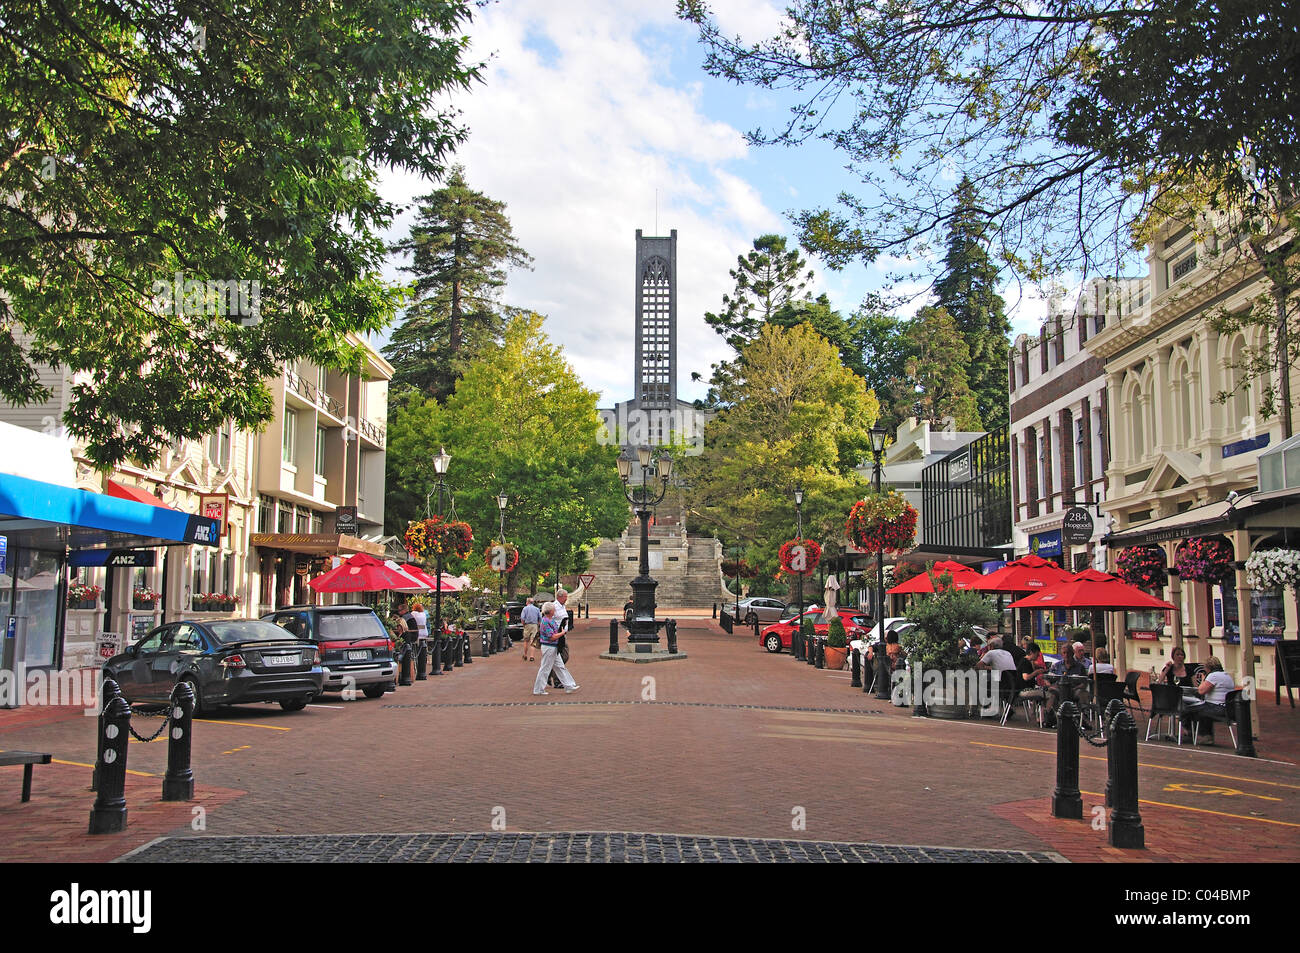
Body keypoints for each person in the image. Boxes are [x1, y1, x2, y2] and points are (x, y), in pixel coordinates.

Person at [1181, 656, 1234, 745]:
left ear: (1208, 667)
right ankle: (1206, 735)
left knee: (1188, 708)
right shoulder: (1227, 675)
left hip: (1216, 708)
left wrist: (1203, 679)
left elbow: (1201, 691)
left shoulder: (1213, 676)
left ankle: (1190, 733)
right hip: (1227, 708)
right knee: (1201, 708)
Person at [532, 602, 579, 696]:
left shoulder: (550, 620)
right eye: (553, 610)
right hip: (549, 646)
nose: (555, 611)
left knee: (560, 666)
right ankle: (538, 689)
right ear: (550, 611)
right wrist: (562, 633)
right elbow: (552, 637)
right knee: (545, 668)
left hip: (553, 647)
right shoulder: (546, 622)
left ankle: (569, 685)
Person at [520, 597, 541, 662]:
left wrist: (524, 624)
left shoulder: (525, 609)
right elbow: (540, 618)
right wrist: (538, 625)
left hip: (527, 625)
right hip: (534, 625)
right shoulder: (537, 609)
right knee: (533, 641)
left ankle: (525, 655)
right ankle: (532, 656)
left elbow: (522, 618)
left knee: (526, 641)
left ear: (527, 602)